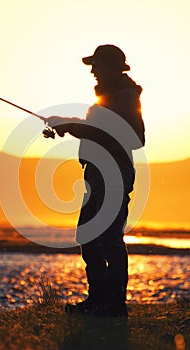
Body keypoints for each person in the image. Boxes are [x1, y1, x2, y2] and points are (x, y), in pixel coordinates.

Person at [46, 44, 145, 317]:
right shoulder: (109, 98)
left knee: (109, 239)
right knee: (88, 236)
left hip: (113, 175)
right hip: (97, 175)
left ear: (114, 68)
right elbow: (98, 130)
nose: (92, 71)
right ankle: (99, 301)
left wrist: (73, 127)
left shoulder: (124, 97)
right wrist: (66, 123)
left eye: (97, 65)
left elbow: (136, 138)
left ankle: (113, 305)